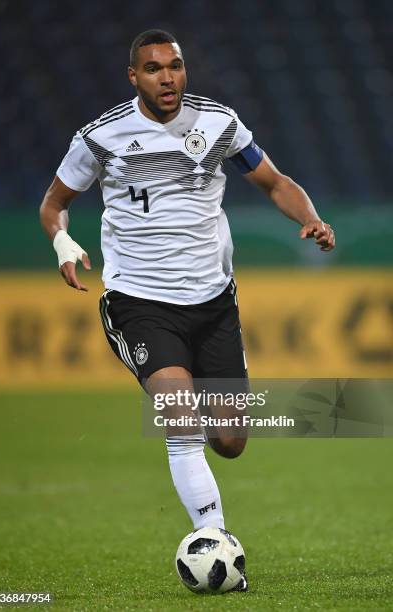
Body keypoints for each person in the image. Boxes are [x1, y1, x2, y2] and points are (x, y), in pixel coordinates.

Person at [40, 29, 335, 592]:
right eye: (153, 69)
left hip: (213, 302)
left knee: (229, 440)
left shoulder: (218, 123)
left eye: (175, 66)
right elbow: (55, 204)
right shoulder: (100, 137)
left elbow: (274, 182)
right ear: (134, 77)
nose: (167, 77)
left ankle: (205, 476)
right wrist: (62, 241)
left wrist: (310, 217)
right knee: (179, 418)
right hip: (139, 301)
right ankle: (215, 540)